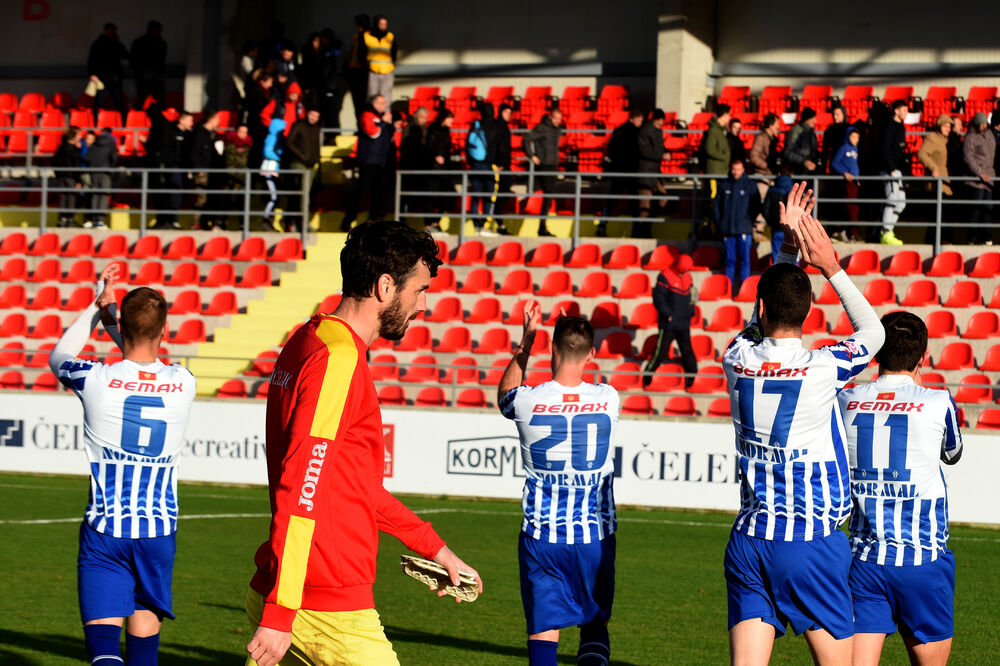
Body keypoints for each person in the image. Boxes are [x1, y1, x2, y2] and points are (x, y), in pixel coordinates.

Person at [245, 221, 482, 666]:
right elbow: (302, 488)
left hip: (295, 592)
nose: (424, 305)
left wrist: (436, 548)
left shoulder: (309, 338)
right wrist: (281, 612)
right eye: (420, 290)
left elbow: (352, 484)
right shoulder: (337, 358)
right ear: (386, 286)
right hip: (322, 607)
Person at [723, 183, 885, 665]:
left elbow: (759, 317)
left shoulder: (736, 357)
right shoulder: (823, 367)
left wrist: (787, 250)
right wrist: (830, 265)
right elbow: (873, 333)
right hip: (810, 542)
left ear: (761, 308)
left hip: (750, 540)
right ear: (809, 311)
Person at [49, 263, 196, 666]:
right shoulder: (184, 381)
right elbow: (140, 352)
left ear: (122, 329)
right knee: (145, 649)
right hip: (157, 532)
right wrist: (116, 318)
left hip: (105, 531)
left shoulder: (93, 379)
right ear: (165, 331)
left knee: (104, 651)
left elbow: (59, 355)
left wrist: (98, 309)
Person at [838, 312, 962, 666]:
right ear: (924, 356)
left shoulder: (845, 400)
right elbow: (952, 454)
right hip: (921, 559)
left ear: (876, 353)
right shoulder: (939, 401)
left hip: (864, 560)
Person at [498, 309, 620, 666]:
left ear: (552, 348)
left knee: (543, 632)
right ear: (592, 354)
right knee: (594, 625)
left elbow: (505, 394)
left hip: (543, 536)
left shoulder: (527, 401)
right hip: (594, 537)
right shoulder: (609, 398)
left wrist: (528, 338)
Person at [643, 253, 697, 388]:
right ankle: (647, 376)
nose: (686, 272)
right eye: (685, 269)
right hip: (669, 324)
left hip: (684, 322)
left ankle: (692, 379)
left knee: (687, 352)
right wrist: (667, 314)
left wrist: (691, 311)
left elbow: (693, 295)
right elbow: (658, 299)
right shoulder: (664, 276)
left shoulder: (688, 277)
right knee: (660, 352)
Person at [341, 95, 394, 231]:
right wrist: (383, 122)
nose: (383, 105)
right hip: (368, 160)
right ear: (373, 103)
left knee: (378, 193)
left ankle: (374, 223)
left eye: (384, 103)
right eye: (380, 102)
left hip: (381, 161)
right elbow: (373, 133)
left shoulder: (381, 117)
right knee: (361, 192)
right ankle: (347, 221)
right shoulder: (367, 115)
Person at [714, 159, 761, 293]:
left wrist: (748, 220)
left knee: (745, 261)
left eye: (738, 169)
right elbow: (717, 206)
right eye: (734, 169)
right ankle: (727, 290)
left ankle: (744, 291)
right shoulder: (724, 185)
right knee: (729, 261)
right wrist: (721, 223)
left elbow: (756, 205)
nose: (736, 172)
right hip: (728, 230)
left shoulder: (750, 185)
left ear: (743, 170)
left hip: (744, 230)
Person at [597, 108, 643, 237]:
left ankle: (602, 225)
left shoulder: (618, 131)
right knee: (634, 202)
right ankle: (636, 229)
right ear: (632, 119)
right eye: (639, 120)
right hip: (631, 171)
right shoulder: (637, 133)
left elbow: (610, 150)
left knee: (611, 200)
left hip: (618, 171)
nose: (640, 123)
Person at [525, 108, 564, 237]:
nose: (558, 121)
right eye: (555, 118)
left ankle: (542, 226)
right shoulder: (541, 128)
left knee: (549, 196)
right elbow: (526, 139)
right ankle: (542, 227)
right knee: (548, 194)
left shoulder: (557, 129)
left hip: (553, 166)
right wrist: (532, 156)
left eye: (559, 119)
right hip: (544, 166)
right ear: (550, 117)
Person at [151, 111, 192, 230]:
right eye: (190, 120)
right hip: (173, 168)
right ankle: (170, 219)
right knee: (172, 193)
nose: (192, 123)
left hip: (183, 168)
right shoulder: (171, 132)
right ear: (181, 120)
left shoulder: (189, 135)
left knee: (178, 194)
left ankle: (172, 219)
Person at [284, 108, 323, 231]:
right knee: (302, 194)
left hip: (311, 165)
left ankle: (297, 222)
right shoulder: (299, 125)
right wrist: (301, 155)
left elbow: (316, 145)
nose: (313, 118)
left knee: (305, 194)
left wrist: (317, 158)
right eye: (312, 114)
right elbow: (289, 142)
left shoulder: (317, 128)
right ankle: (301, 224)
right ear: (307, 114)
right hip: (299, 164)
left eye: (316, 116)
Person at [918, 114, 954, 243]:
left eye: (949, 127)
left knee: (945, 212)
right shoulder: (933, 138)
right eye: (945, 126)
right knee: (937, 213)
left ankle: (941, 239)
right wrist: (933, 168)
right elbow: (921, 153)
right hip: (937, 183)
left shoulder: (947, 140)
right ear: (939, 126)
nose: (948, 129)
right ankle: (933, 240)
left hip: (946, 182)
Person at [878, 99, 909, 246]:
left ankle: (889, 230)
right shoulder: (889, 126)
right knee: (892, 199)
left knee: (901, 202)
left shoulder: (901, 126)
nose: (906, 113)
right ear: (896, 111)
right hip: (890, 171)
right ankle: (886, 232)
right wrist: (891, 168)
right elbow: (884, 149)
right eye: (904, 110)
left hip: (898, 170)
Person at [963, 112, 995, 245]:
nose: (983, 126)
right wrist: (980, 173)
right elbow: (969, 157)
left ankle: (986, 237)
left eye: (985, 123)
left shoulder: (989, 134)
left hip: (989, 179)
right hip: (976, 181)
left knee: (988, 209)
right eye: (981, 124)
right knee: (975, 210)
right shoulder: (970, 137)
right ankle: (972, 238)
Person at [186, 110, 221, 230]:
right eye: (217, 119)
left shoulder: (212, 135)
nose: (219, 122)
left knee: (210, 198)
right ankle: (196, 223)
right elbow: (194, 153)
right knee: (202, 198)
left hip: (212, 172)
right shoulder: (200, 134)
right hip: (202, 172)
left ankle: (207, 223)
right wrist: (198, 169)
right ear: (211, 119)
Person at [484, 102, 513, 233]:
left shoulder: (504, 127)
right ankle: (497, 223)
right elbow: (498, 147)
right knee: (498, 194)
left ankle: (498, 221)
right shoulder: (498, 127)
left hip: (505, 165)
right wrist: (499, 163)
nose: (509, 115)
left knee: (504, 193)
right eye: (507, 112)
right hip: (499, 166)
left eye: (510, 113)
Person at [87, 23, 129, 111]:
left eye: (113, 31)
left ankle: (121, 118)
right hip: (102, 76)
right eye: (110, 31)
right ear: (106, 31)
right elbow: (92, 60)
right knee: (100, 99)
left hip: (114, 76)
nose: (112, 33)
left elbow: (125, 55)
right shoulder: (98, 43)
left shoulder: (116, 43)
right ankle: (95, 118)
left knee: (118, 100)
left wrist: (118, 43)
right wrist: (92, 74)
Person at [426, 108, 456, 230]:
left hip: (444, 169)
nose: (452, 121)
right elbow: (428, 148)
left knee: (448, 194)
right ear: (444, 118)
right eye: (450, 118)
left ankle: (435, 221)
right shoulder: (433, 130)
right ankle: (429, 224)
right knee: (431, 196)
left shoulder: (446, 132)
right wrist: (435, 156)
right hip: (433, 169)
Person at [399, 106, 432, 216]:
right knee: (405, 196)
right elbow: (405, 149)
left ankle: (428, 221)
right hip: (409, 168)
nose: (424, 120)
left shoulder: (426, 130)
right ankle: (402, 218)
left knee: (424, 195)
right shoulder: (409, 129)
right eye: (421, 116)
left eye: (425, 117)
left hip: (421, 167)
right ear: (415, 116)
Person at [83, 127, 119, 229]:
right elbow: (114, 158)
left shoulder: (95, 143)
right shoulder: (111, 144)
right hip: (105, 172)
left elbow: (87, 158)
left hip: (94, 172)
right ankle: (100, 220)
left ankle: (94, 218)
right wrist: (112, 170)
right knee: (103, 195)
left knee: (95, 194)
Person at [831, 126, 862, 235]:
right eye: (853, 137)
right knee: (851, 207)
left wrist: (857, 179)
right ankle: (852, 233)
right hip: (847, 182)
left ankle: (847, 232)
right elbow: (834, 163)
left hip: (854, 182)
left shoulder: (855, 149)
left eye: (857, 137)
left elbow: (854, 167)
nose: (855, 140)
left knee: (852, 207)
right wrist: (844, 173)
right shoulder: (843, 148)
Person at [466, 116, 493, 235]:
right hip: (487, 165)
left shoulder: (472, 130)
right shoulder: (489, 128)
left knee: (475, 197)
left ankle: (476, 225)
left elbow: (467, 149)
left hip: (475, 166)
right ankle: (484, 225)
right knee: (489, 195)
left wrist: (471, 163)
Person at [130, 21, 167, 107]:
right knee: (157, 97)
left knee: (142, 97)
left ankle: (140, 113)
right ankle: (156, 113)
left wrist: (137, 68)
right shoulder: (161, 43)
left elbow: (133, 57)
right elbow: (162, 58)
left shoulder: (139, 41)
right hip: (155, 73)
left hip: (143, 73)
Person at [361, 14, 396, 105]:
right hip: (373, 71)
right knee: (372, 97)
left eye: (385, 24)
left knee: (386, 98)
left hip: (387, 72)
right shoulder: (367, 36)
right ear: (376, 24)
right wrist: (366, 66)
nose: (383, 26)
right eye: (381, 24)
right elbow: (361, 53)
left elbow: (394, 53)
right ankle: (371, 113)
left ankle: (385, 114)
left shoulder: (390, 36)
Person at [223, 124, 253, 228]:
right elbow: (230, 164)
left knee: (243, 202)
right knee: (227, 201)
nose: (243, 135)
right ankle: (222, 222)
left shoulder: (248, 146)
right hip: (232, 179)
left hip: (243, 181)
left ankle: (243, 224)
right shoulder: (231, 146)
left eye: (245, 132)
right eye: (241, 132)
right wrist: (241, 176)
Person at [53, 127, 84, 227]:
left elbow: (55, 163)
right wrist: (78, 180)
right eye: (79, 135)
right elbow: (76, 165)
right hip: (71, 177)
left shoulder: (60, 148)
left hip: (61, 176)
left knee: (63, 197)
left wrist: (58, 175)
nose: (80, 137)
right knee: (71, 198)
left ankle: (63, 218)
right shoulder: (74, 150)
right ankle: (69, 219)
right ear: (73, 137)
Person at [762, 172, 793, 263]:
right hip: (792, 229)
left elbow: (765, 210)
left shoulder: (772, 190)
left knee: (777, 257)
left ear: (779, 174)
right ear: (791, 175)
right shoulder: (794, 190)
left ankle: (778, 273)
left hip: (776, 228)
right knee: (793, 257)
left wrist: (771, 222)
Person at [345, 14, 371, 124]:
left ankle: (364, 124)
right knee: (356, 101)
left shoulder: (369, 35)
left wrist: (365, 65)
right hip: (353, 71)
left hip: (363, 71)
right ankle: (359, 124)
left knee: (363, 101)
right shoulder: (356, 36)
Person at [783, 108, 819, 175]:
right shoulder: (795, 132)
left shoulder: (812, 133)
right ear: (807, 119)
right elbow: (788, 153)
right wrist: (804, 161)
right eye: (813, 118)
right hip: (797, 172)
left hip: (809, 172)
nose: (815, 121)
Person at [703, 104, 732, 176]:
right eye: (729, 115)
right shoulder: (713, 131)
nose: (730, 117)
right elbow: (710, 150)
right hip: (715, 172)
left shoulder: (721, 131)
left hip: (721, 170)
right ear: (725, 115)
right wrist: (724, 157)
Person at [749, 113, 779, 179]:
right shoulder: (761, 138)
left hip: (770, 174)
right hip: (762, 174)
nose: (778, 126)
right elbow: (753, 157)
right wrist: (767, 166)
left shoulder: (773, 139)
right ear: (771, 125)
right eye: (777, 124)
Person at [822, 105, 850, 172]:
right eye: (834, 114)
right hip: (834, 164)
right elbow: (825, 150)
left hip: (846, 164)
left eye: (837, 114)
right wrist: (823, 168)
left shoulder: (849, 129)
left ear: (843, 115)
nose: (835, 117)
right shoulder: (830, 130)